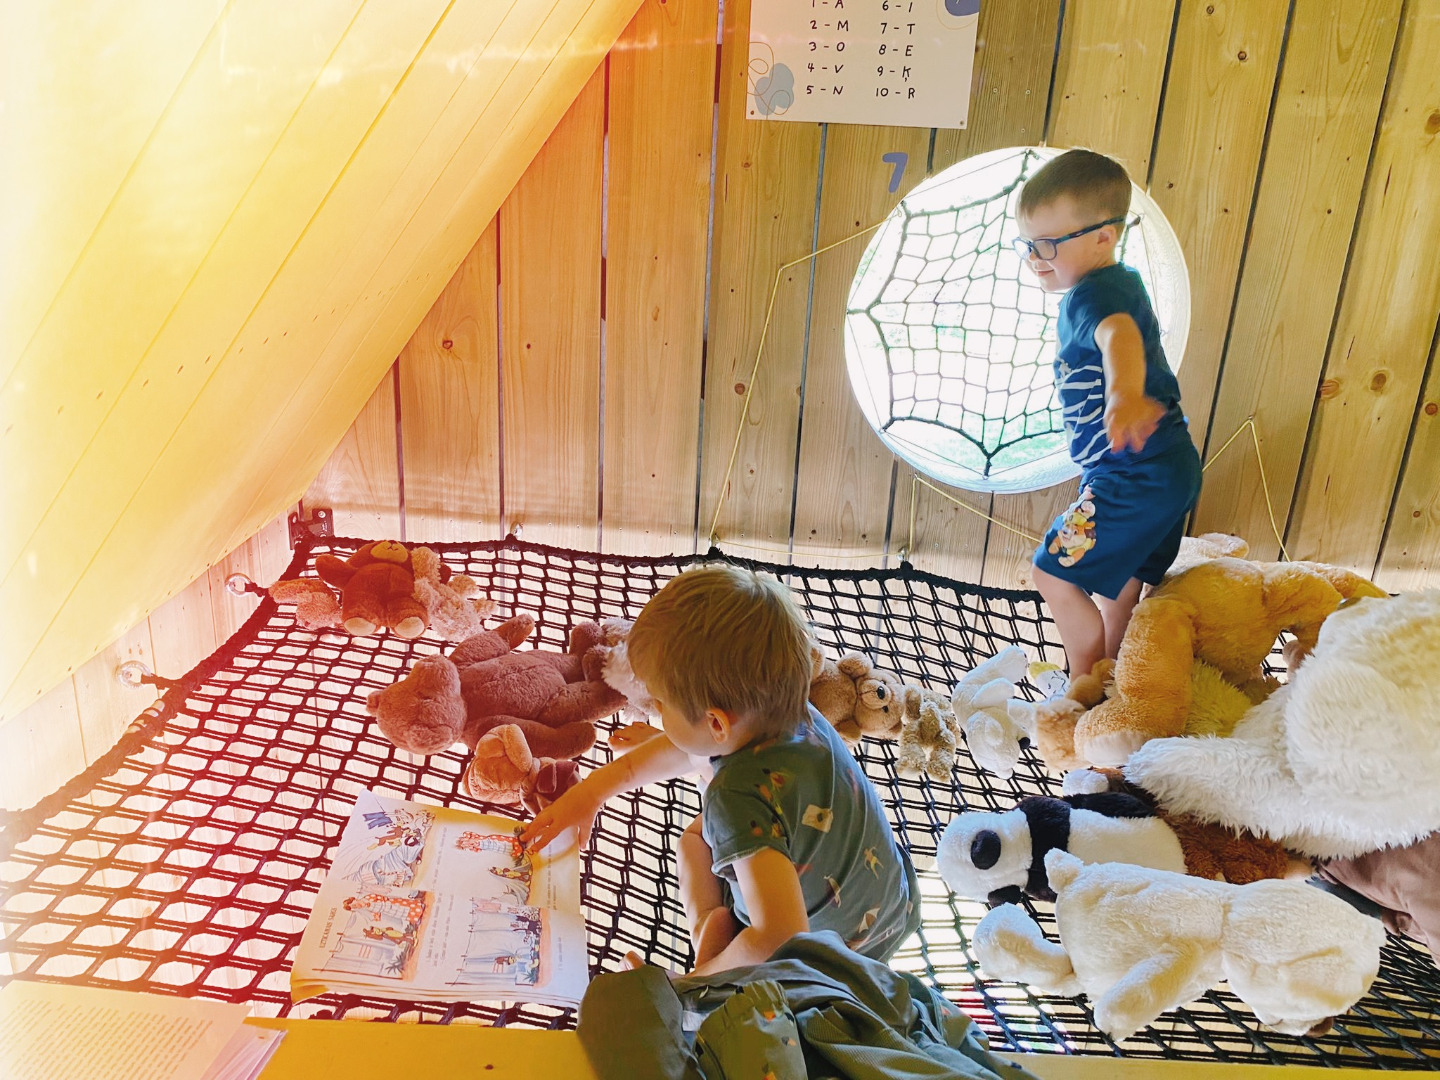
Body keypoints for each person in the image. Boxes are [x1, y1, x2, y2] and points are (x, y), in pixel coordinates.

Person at [520, 565, 919, 976]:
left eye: (660, 704)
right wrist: (591, 794)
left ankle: (709, 936)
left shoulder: (732, 799)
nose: (657, 712)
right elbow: (691, 749)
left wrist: (697, 983)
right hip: (894, 902)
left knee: (694, 840)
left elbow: (779, 936)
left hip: (831, 961)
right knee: (716, 829)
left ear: (716, 724)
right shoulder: (788, 707)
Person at [1014, 148, 1202, 687]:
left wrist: (1123, 394)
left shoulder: (1091, 296)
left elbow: (1117, 334)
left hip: (1133, 471)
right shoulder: (1120, 282)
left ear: (1104, 236)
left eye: (1048, 243)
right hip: (1166, 467)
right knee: (1122, 586)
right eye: (1027, 244)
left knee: (1051, 574)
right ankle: (1116, 677)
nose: (1035, 257)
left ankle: (1082, 687)